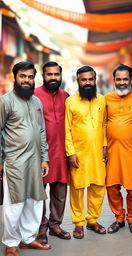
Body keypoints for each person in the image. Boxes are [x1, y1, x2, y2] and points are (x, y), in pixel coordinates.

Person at [0, 61, 51, 256]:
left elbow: (41, 131)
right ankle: (11, 244)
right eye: (23, 76)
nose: (27, 80)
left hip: (35, 162)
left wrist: (44, 158)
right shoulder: (5, 101)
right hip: (15, 162)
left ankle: (28, 239)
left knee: (34, 202)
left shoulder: (36, 102)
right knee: (15, 204)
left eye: (30, 77)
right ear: (15, 77)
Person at [65, 66, 107, 239]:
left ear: (95, 80)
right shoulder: (71, 102)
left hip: (98, 153)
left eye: (90, 79)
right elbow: (66, 129)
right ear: (78, 81)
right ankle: (78, 223)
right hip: (79, 154)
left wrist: (105, 146)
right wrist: (71, 152)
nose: (88, 82)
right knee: (78, 189)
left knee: (98, 186)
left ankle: (92, 220)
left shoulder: (102, 100)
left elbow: (104, 124)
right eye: (84, 79)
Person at [34, 62, 70, 244]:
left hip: (62, 153)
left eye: (56, 74)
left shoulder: (66, 96)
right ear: (43, 75)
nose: (53, 78)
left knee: (60, 191)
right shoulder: (34, 95)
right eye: (50, 74)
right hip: (40, 155)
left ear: (60, 75)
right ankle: (41, 228)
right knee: (40, 193)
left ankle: (55, 225)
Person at [105, 64, 132, 235]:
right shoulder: (106, 99)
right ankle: (119, 217)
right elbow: (102, 123)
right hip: (112, 151)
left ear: (131, 80)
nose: (121, 82)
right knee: (112, 186)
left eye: (125, 79)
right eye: (118, 79)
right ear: (114, 80)